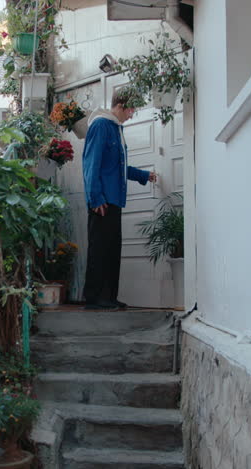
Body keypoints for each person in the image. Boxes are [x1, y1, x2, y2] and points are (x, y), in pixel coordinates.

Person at [81, 89, 157, 310]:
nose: (132, 114)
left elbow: (118, 167)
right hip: (102, 201)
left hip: (113, 199)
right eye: (132, 109)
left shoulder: (115, 128)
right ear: (121, 105)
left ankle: (109, 297)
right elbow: (90, 164)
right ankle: (95, 299)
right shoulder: (101, 125)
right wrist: (95, 198)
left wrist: (144, 175)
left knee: (112, 250)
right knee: (100, 249)